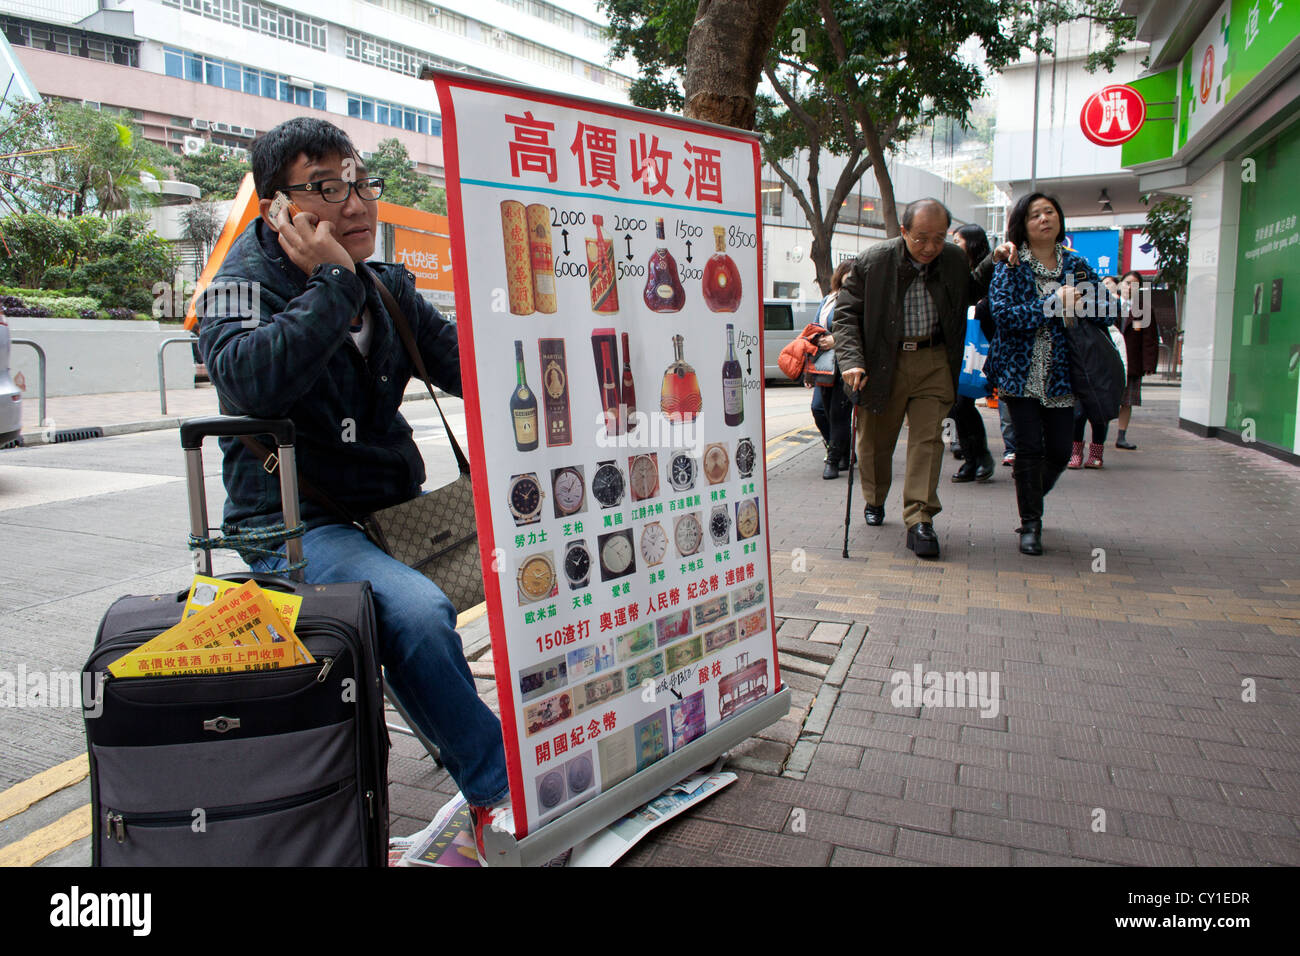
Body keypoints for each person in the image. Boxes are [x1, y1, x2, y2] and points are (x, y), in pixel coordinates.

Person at [197, 117, 511, 856]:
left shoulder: (387, 284)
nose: (357, 204)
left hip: (398, 517)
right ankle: (501, 796)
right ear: (277, 207)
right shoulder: (236, 289)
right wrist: (333, 282)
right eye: (327, 188)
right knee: (417, 614)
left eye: (361, 182)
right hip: (296, 523)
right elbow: (247, 381)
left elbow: (473, 370)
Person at [833, 198, 997, 559]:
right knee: (875, 443)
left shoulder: (953, 259)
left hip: (935, 360)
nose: (930, 248)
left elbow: (967, 292)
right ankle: (874, 498)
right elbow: (845, 316)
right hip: (882, 363)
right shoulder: (873, 262)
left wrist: (992, 261)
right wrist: (852, 362)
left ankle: (920, 518)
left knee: (928, 441)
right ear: (904, 231)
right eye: (921, 238)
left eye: (939, 238)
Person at [988, 192, 1116, 555]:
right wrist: (1052, 304)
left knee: (1059, 452)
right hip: (1020, 372)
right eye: (1034, 215)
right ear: (1022, 225)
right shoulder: (1010, 264)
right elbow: (1005, 316)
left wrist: (1085, 301)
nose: (1044, 219)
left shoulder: (1077, 265)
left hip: (1063, 374)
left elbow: (1108, 312)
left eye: (1049, 212)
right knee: (1028, 450)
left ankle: (1029, 495)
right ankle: (1031, 523)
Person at [947, 223, 996, 483]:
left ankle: (981, 457)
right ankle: (971, 458)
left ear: (973, 243)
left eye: (958, 239)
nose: (953, 244)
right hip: (958, 345)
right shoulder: (956, 269)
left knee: (963, 401)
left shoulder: (991, 269)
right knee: (957, 404)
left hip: (979, 344)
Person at [810, 260, 853, 479]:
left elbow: (861, 329)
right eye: (847, 273)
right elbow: (814, 326)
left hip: (847, 363)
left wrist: (835, 339)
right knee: (819, 409)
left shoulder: (860, 299)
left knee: (839, 413)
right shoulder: (828, 300)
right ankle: (841, 448)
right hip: (824, 363)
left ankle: (834, 460)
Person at [1114, 269, 1159, 450]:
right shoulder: (1108, 305)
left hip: (1132, 363)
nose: (1130, 288)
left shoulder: (1144, 310)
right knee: (1102, 402)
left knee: (1127, 401)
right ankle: (1097, 439)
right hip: (1109, 363)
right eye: (1127, 283)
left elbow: (1150, 340)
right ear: (1120, 284)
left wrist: (1148, 365)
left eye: (1135, 285)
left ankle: (1121, 436)